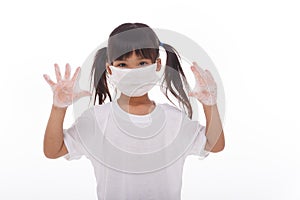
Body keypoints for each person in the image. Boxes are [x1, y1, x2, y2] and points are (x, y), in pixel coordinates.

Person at [43, 22, 225, 200]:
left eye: (142, 63)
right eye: (122, 65)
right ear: (109, 68)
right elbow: (54, 150)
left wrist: (210, 105)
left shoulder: (173, 119)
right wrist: (59, 108)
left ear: (158, 64)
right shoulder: (97, 119)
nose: (132, 72)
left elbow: (215, 145)